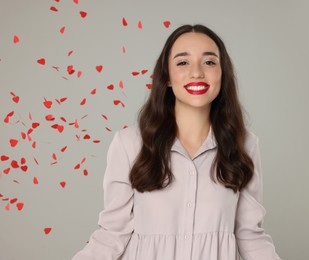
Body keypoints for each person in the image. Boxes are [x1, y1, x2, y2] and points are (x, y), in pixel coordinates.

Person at [72, 24, 280, 260]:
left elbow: (250, 236)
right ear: (167, 77)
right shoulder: (129, 143)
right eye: (183, 62)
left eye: (209, 62)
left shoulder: (245, 145)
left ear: (223, 74)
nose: (197, 73)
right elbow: (112, 234)